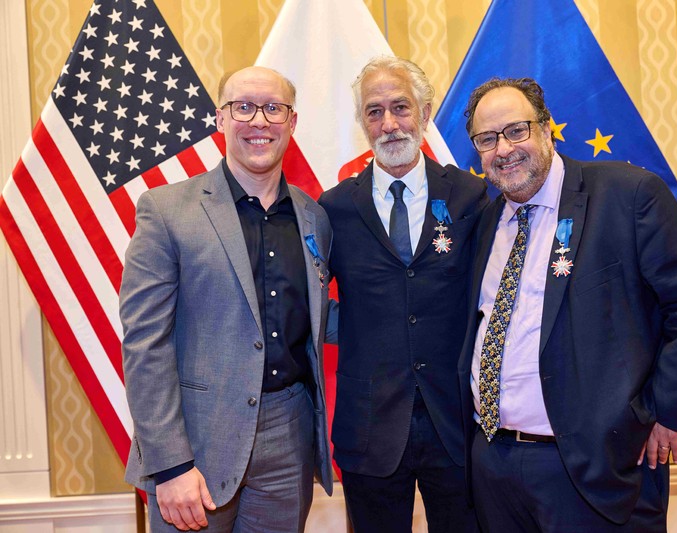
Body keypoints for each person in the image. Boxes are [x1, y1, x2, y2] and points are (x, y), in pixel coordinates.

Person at [457, 77, 677, 532]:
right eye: (487, 139)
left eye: (516, 130)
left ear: (546, 130)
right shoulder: (487, 223)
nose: (503, 149)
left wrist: (668, 412)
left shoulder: (627, 195)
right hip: (495, 468)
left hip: (596, 469)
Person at [120, 66, 335, 533]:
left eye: (273, 108)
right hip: (197, 438)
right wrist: (171, 465)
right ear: (220, 119)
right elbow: (144, 344)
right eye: (243, 107)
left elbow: (314, 317)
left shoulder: (314, 217)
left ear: (292, 122)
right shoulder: (165, 210)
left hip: (289, 433)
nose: (259, 121)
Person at [318, 56, 488, 533]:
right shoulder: (333, 209)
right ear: (362, 123)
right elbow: (308, 300)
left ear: (426, 112)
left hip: (457, 423)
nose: (389, 124)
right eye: (374, 112)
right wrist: (354, 330)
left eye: (400, 107)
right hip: (369, 426)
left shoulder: (470, 198)